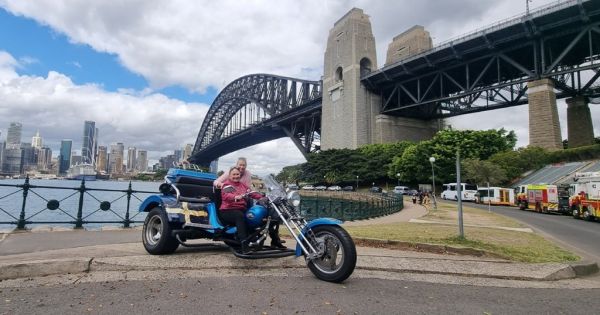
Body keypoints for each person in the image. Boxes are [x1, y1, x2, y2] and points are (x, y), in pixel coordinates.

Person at [220, 166, 263, 253]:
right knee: (239, 216)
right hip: (227, 210)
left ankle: (255, 238)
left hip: (240, 209)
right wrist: (235, 197)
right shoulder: (226, 185)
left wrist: (262, 197)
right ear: (230, 176)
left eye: (237, 174)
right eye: (234, 174)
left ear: (240, 175)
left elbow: (251, 193)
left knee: (253, 215)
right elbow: (226, 195)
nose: (236, 176)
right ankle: (244, 244)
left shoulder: (242, 185)